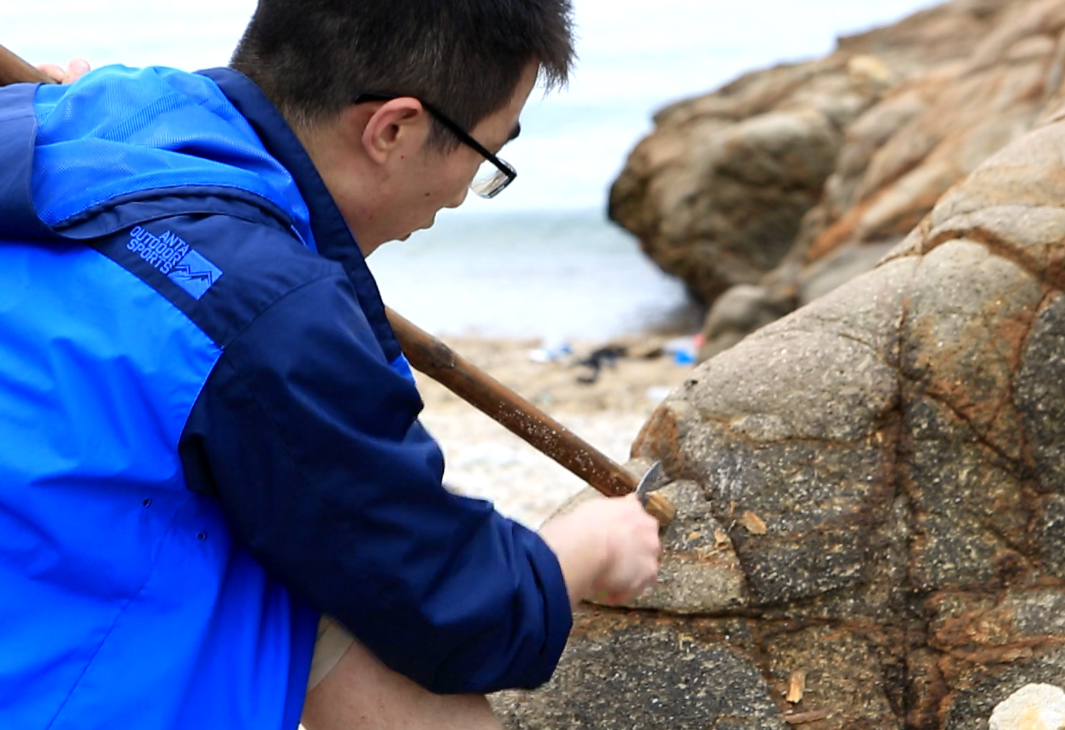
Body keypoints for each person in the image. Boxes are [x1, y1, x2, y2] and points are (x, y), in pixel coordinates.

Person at [0, 2, 662, 729]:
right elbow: (452, 608)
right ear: (394, 130)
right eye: (486, 157)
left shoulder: (78, 116)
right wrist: (588, 549)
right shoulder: (273, 313)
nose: (457, 194)